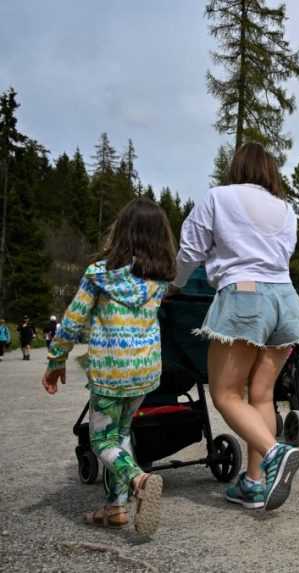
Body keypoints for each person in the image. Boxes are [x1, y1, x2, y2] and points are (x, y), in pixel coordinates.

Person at [175, 142, 299, 512]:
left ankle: (273, 453)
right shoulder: (287, 210)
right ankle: (253, 483)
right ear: (270, 172)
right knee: (262, 395)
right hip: (286, 301)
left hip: (245, 298)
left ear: (237, 168)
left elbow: (189, 251)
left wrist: (174, 285)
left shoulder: (218, 198)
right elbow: (284, 256)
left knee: (226, 394)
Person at [41, 198, 175, 535]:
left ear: (121, 233)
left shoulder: (98, 275)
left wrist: (56, 360)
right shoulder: (158, 282)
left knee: (102, 441)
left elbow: (72, 322)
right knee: (122, 434)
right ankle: (115, 508)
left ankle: (138, 480)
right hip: (144, 372)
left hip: (109, 372)